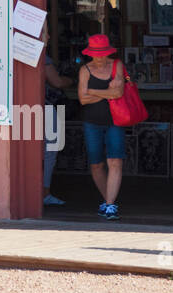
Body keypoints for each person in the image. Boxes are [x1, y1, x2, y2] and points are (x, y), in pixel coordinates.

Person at [77, 33, 126, 221]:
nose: (99, 58)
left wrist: (92, 91)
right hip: (92, 122)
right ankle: (107, 202)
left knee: (115, 161)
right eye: (95, 54)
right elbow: (82, 99)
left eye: (102, 54)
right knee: (96, 164)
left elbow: (119, 92)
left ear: (108, 53)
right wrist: (108, 92)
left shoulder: (117, 65)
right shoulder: (84, 70)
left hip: (115, 121)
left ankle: (110, 205)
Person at [42, 50, 73, 206]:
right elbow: (57, 82)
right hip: (45, 108)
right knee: (49, 151)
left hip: (23, 108)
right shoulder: (41, 54)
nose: (47, 36)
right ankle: (44, 193)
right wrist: (71, 81)